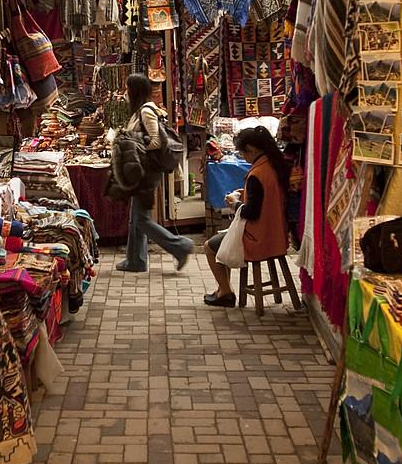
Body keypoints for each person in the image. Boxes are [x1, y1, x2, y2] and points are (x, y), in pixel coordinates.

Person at [204, 125, 292, 307]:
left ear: (251, 150)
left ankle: (226, 291)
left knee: (210, 246)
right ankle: (222, 290)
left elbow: (251, 212)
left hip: (258, 238)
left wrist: (234, 203)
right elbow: (268, 197)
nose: (243, 157)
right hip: (278, 234)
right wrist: (244, 193)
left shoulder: (257, 174)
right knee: (222, 241)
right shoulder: (275, 165)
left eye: (243, 153)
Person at [117, 73, 192, 273]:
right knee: (136, 217)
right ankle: (135, 260)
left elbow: (157, 141)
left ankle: (179, 245)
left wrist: (130, 142)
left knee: (141, 219)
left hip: (146, 171)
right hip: (140, 170)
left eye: (127, 88)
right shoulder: (139, 112)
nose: (125, 92)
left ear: (135, 91)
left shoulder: (146, 111)